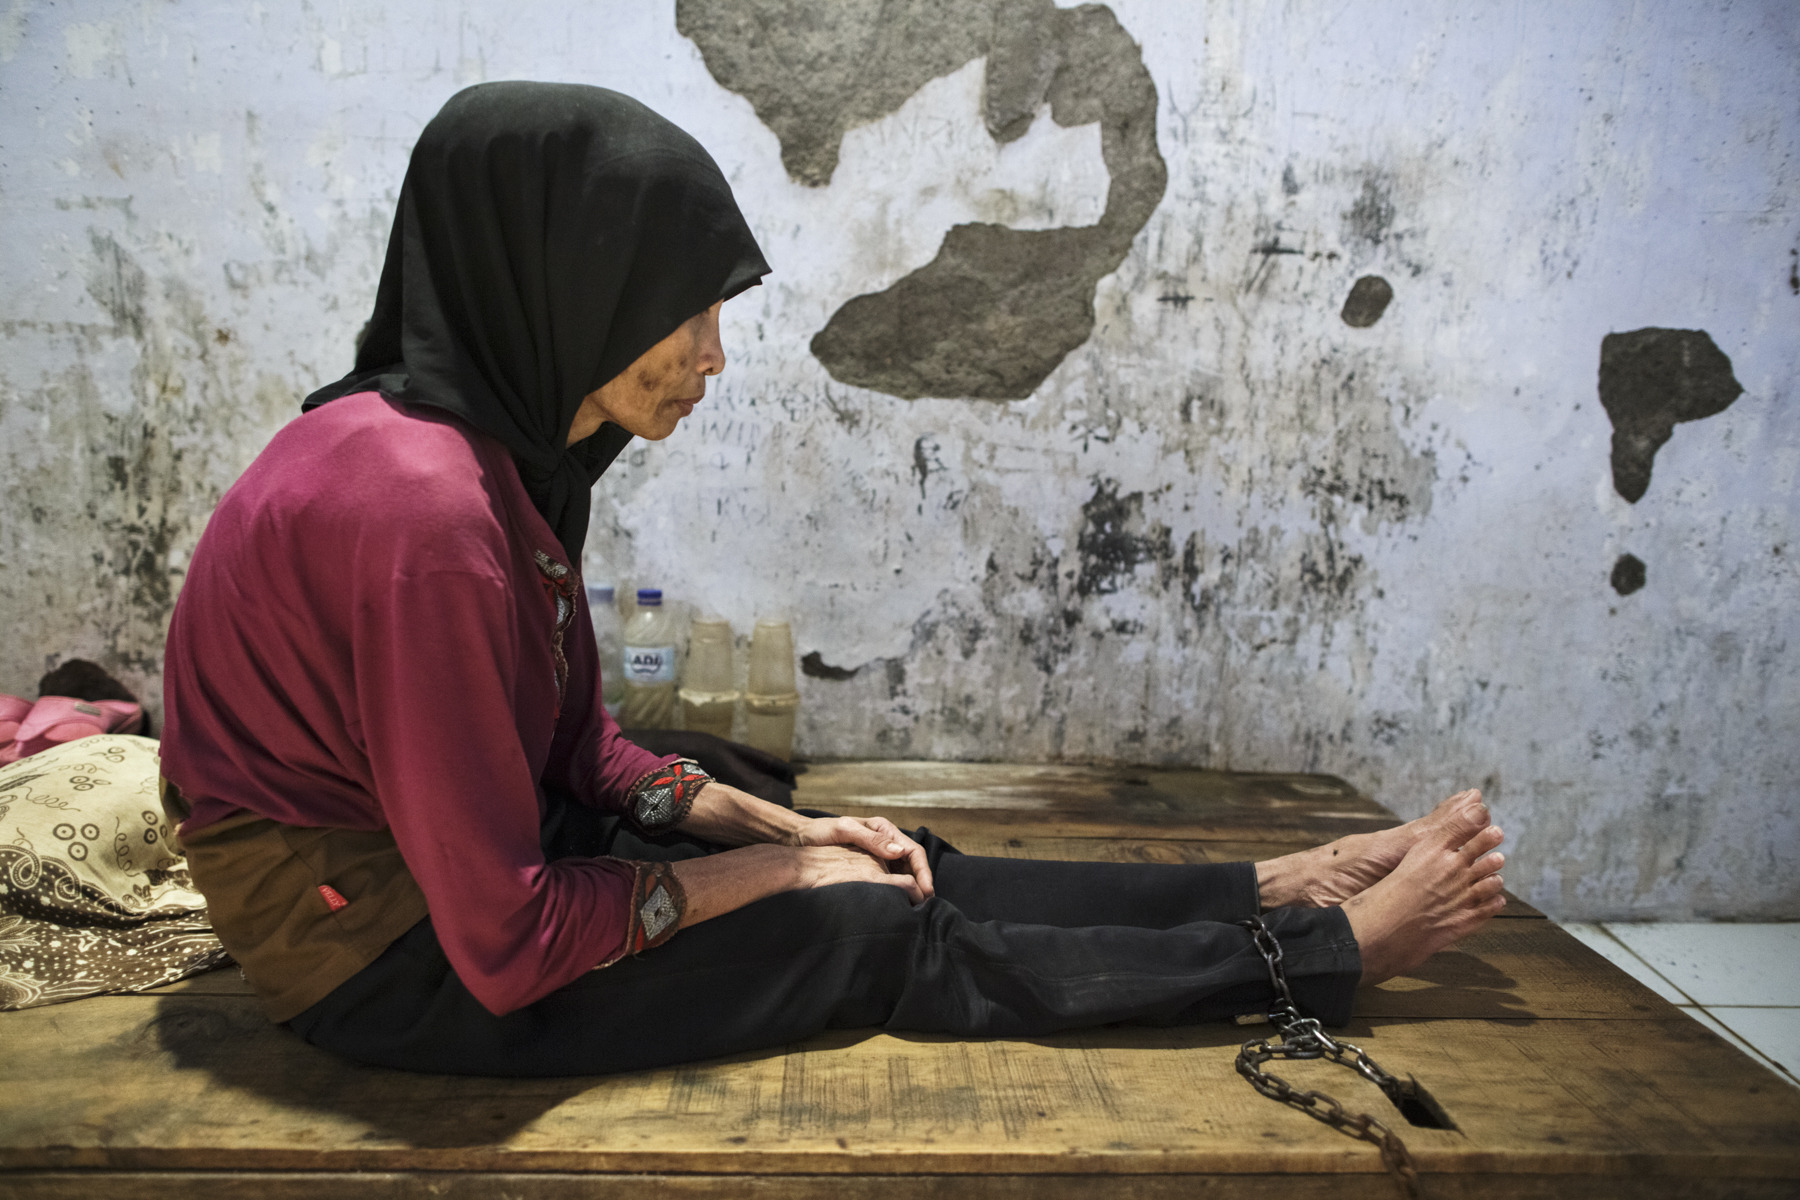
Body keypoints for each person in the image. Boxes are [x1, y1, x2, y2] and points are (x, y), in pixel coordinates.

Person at [159, 82, 1507, 1078]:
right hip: (391, 961)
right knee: (868, 930)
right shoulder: (425, 510)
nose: (712, 356)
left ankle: (1265, 890)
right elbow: (505, 941)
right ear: (564, 284)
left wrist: (770, 834)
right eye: (678, 309)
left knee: (886, 857)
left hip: (454, 868)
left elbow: (578, 745)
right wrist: (784, 885)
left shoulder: (489, 450)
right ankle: (1323, 959)